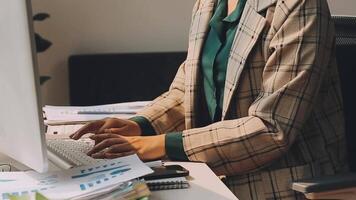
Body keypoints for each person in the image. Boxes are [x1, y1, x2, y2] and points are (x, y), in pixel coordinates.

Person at [70, 0, 348, 199]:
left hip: (282, 183)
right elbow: (185, 92)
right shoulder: (207, 4)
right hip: (211, 172)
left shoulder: (300, 6)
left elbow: (271, 128)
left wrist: (158, 144)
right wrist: (141, 126)